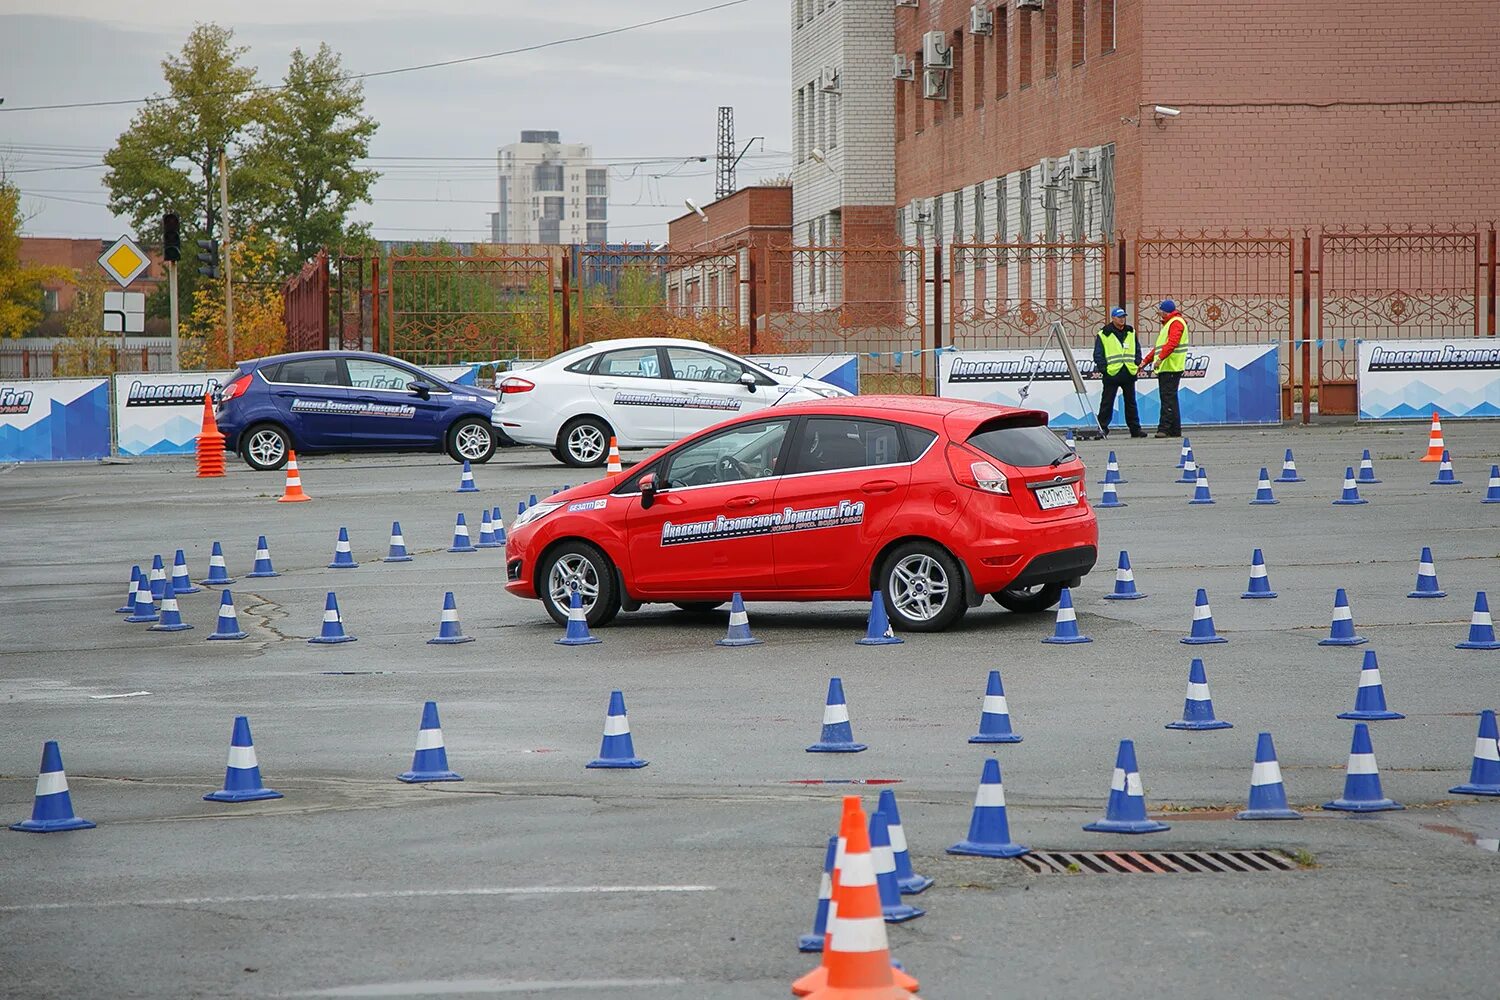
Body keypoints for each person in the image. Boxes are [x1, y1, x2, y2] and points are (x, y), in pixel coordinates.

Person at [1139, 298, 1189, 438]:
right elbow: (1159, 348)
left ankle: (1165, 428)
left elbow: (1172, 344)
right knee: (1171, 399)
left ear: (1165, 312)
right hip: (1169, 366)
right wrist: (1146, 361)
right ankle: (1174, 429)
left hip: (1171, 366)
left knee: (1167, 398)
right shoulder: (1170, 324)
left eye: (1160, 311)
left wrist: (1159, 359)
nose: (1159, 314)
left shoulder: (1175, 323)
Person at [1092, 307, 1145, 438]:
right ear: (1113, 318)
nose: (1122, 319)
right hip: (1112, 373)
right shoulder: (1104, 333)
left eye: (1123, 317)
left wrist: (1137, 362)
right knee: (1107, 402)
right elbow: (1098, 354)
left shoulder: (1130, 331)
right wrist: (1104, 370)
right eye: (1119, 317)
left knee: (1131, 403)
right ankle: (1102, 428)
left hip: (1128, 371)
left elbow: (1137, 349)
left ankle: (1135, 429)